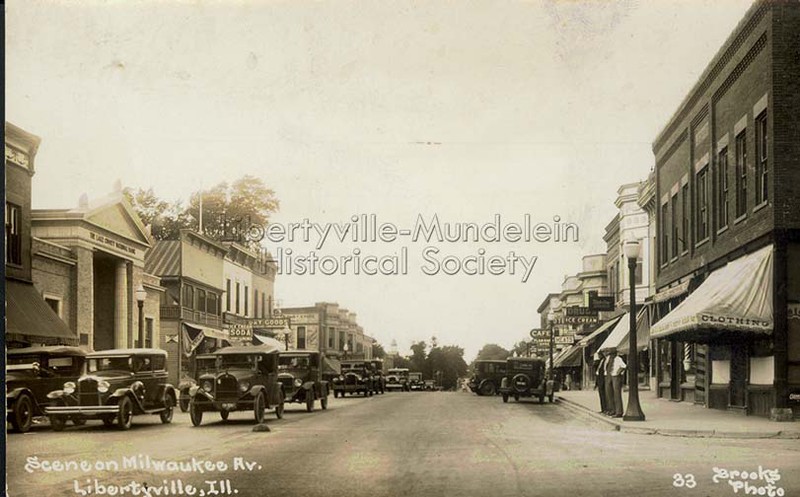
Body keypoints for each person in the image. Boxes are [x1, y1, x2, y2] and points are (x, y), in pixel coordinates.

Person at [607, 349, 626, 418]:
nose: (611, 356)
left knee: (617, 394)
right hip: (611, 376)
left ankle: (619, 412)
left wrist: (618, 372)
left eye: (612, 354)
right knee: (611, 394)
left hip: (616, 377)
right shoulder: (610, 360)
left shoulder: (618, 359)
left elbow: (624, 366)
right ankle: (613, 410)